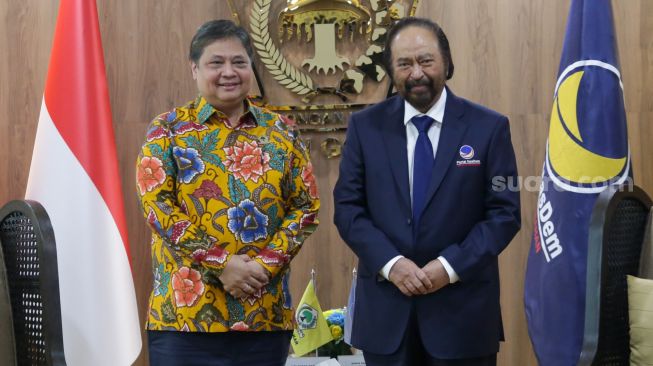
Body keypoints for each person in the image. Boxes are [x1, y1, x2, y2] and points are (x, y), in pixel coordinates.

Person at [333, 17, 521, 366]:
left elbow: (504, 214)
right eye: (404, 63)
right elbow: (347, 208)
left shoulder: (489, 128)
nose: (415, 73)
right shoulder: (364, 127)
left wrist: (448, 267)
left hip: (463, 316)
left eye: (425, 60)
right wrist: (393, 265)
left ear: (447, 64)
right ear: (391, 70)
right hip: (386, 318)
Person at [136, 19, 320, 366]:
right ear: (194, 68)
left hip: (263, 316)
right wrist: (221, 264)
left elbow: (306, 207)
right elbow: (157, 207)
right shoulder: (168, 130)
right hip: (185, 320)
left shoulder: (281, 131)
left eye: (239, 62)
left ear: (251, 67)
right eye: (215, 63)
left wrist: (265, 265)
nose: (228, 72)